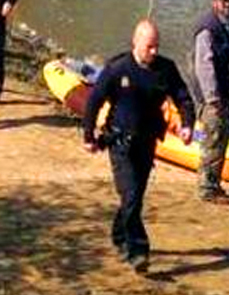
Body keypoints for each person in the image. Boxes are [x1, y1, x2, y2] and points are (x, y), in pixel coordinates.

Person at [83, 20, 194, 273]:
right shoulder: (117, 68)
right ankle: (139, 250)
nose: (154, 52)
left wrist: (187, 124)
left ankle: (119, 235)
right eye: (149, 47)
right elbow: (94, 101)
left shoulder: (166, 68)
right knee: (131, 195)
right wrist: (88, 136)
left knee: (134, 198)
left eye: (157, 47)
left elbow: (183, 97)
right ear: (136, 43)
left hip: (148, 141)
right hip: (120, 142)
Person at [192, 0, 229, 201]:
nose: (228, 3)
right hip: (212, 97)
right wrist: (212, 98)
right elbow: (204, 65)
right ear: (214, 1)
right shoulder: (207, 28)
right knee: (212, 140)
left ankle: (214, 184)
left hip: (228, 93)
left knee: (223, 137)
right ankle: (206, 187)